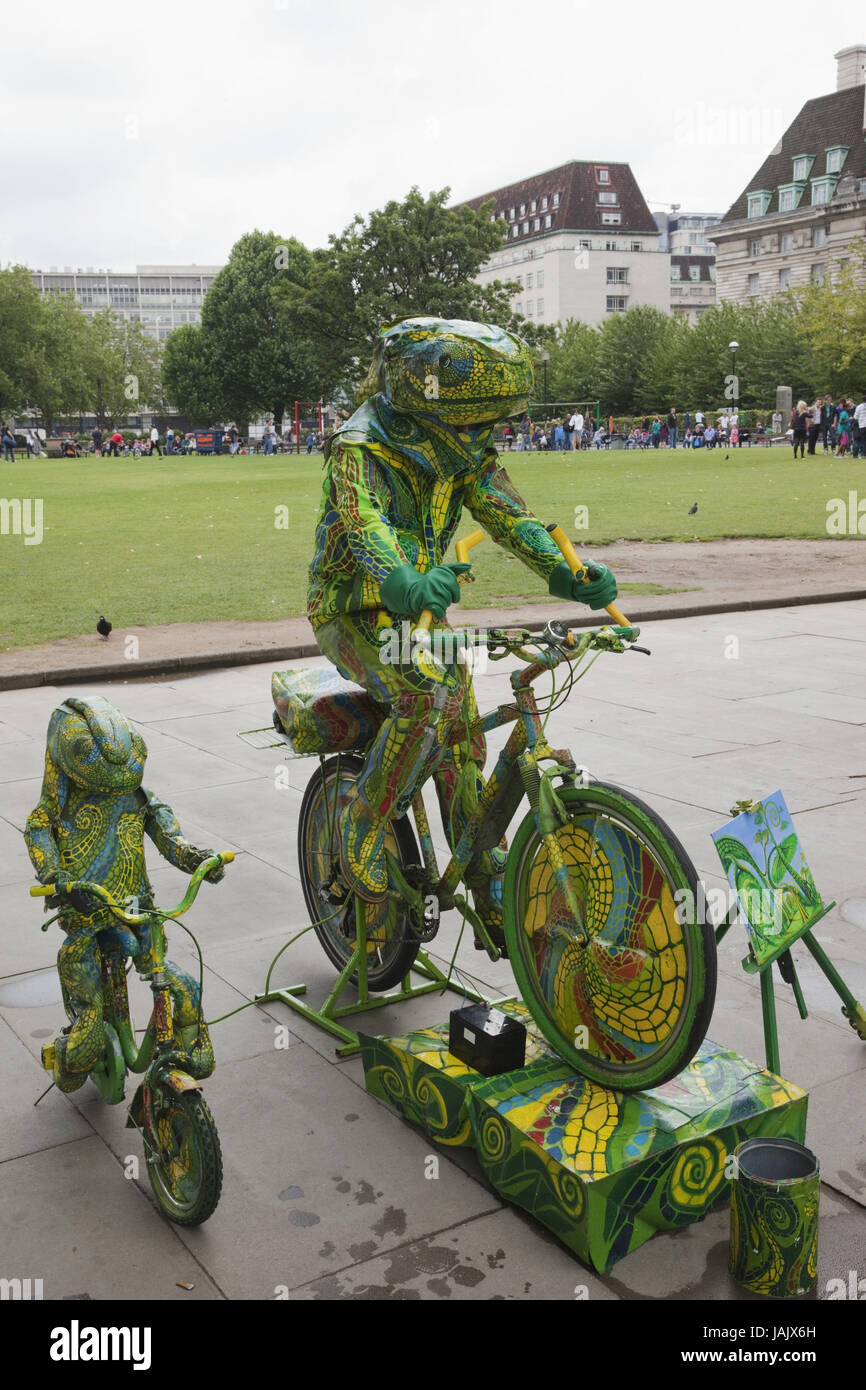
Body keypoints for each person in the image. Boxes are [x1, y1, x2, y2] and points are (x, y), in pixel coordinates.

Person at [307, 317, 618, 937]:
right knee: (425, 695)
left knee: (464, 732)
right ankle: (363, 825)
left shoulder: (464, 451)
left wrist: (567, 574)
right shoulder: (358, 447)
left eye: (493, 423)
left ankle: (478, 856)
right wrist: (403, 583)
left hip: (422, 611)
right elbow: (363, 525)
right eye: (477, 422)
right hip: (351, 609)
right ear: (432, 408)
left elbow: (511, 518)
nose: (486, 435)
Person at [25, 696, 224, 1093]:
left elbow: (163, 826)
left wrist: (193, 857)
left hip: (137, 908)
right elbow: (39, 829)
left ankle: (185, 1044)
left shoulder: (133, 795)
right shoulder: (61, 801)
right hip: (86, 913)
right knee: (89, 1023)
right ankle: (77, 1041)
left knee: (176, 983)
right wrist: (55, 877)